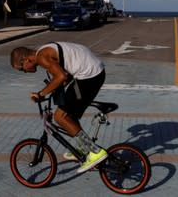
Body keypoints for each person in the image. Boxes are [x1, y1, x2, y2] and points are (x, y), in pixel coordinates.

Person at [10, 41, 107, 173]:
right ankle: (84, 148)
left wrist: (41, 93)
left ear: (26, 60)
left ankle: (95, 152)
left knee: (60, 116)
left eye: (21, 69)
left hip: (89, 76)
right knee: (69, 115)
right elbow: (64, 77)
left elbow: (61, 76)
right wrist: (50, 90)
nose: (24, 72)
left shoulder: (42, 56)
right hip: (92, 72)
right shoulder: (44, 50)